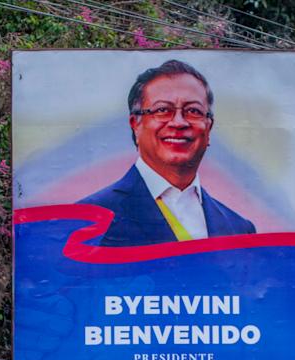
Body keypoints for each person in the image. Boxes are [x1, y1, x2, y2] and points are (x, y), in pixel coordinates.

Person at [79, 59, 256, 247]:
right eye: (162, 110)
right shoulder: (90, 219)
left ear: (208, 127)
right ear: (135, 124)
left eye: (193, 111)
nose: (178, 122)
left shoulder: (239, 230)